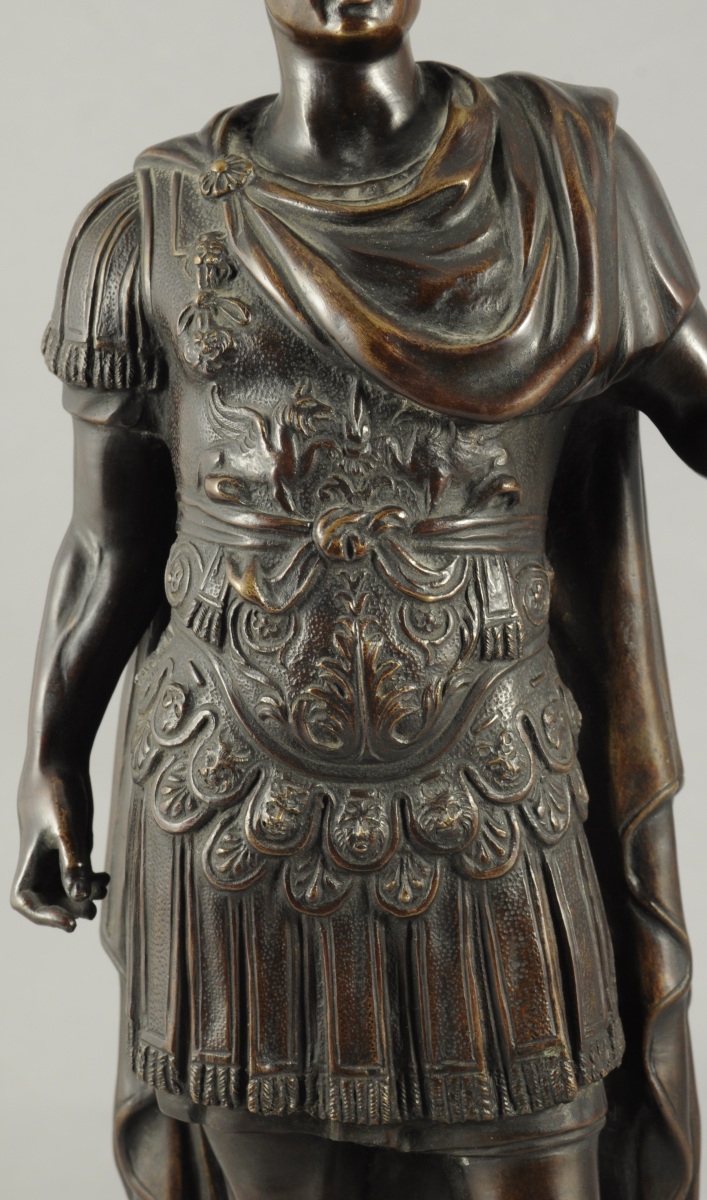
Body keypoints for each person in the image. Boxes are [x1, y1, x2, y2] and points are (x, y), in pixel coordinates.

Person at [12, 1, 707, 1196]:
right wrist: (48, 762)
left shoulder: (568, 199)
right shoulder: (146, 227)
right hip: (230, 796)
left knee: (542, 1140)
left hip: (489, 789)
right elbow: (104, 545)